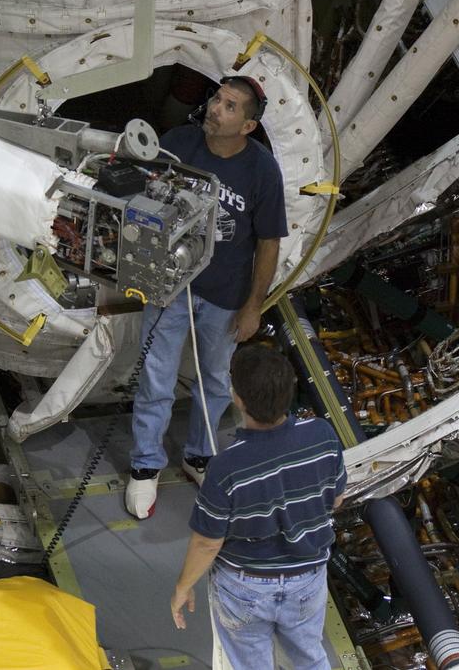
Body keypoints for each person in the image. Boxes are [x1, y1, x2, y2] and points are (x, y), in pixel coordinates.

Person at [125, 75, 288, 519]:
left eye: (231, 106)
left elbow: (269, 242)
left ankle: (199, 455)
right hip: (170, 287)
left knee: (215, 380)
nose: (217, 109)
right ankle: (144, 466)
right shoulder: (179, 144)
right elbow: (142, 194)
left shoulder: (262, 171)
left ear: (248, 126)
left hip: (226, 298)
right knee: (156, 378)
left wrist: (254, 304)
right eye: (217, 99)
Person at [169, 346, 346, 670]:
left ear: (237, 397)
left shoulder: (226, 467)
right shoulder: (323, 435)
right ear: (290, 389)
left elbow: (208, 542)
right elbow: (335, 499)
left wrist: (183, 587)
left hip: (244, 587)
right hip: (307, 580)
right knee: (310, 659)